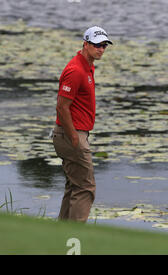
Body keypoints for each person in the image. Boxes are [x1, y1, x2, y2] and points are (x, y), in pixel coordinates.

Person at [52, 26, 112, 222]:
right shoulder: (76, 70)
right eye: (97, 45)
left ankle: (61, 235)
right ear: (85, 44)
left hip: (75, 133)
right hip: (72, 134)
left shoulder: (88, 65)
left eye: (104, 45)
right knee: (86, 187)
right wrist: (74, 137)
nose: (101, 49)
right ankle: (75, 236)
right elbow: (62, 107)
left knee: (74, 185)